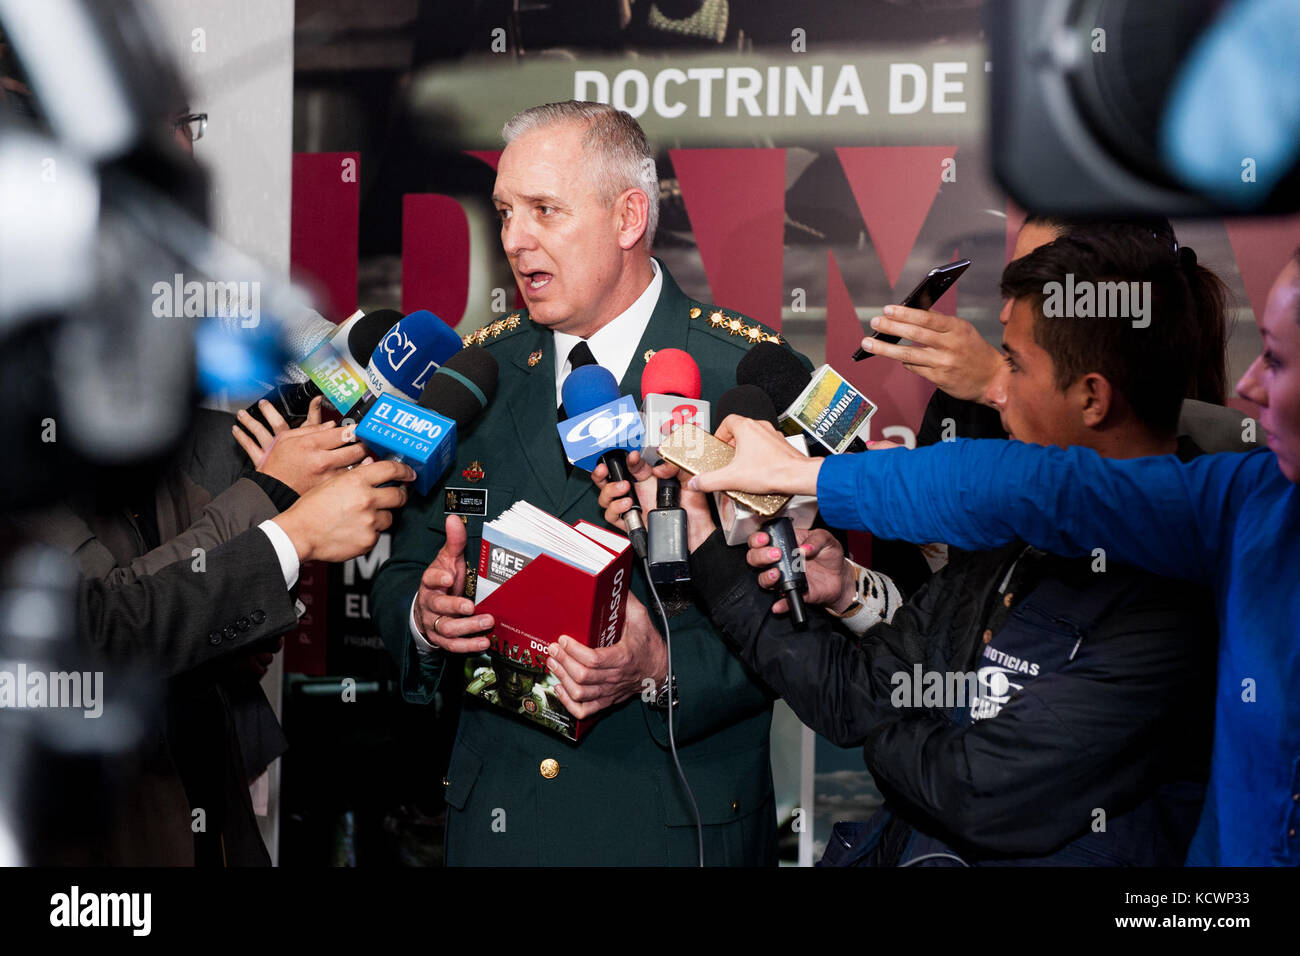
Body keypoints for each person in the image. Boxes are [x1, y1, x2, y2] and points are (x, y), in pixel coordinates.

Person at [607, 231, 1219, 865]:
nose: (994, 390)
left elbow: (973, 790)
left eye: (1013, 364)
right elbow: (851, 696)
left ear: (1092, 397)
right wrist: (705, 540)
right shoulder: (1011, 538)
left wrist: (889, 727)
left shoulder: (1174, 596)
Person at [372, 100, 807, 865]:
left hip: (675, 825)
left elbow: (807, 618)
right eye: (506, 212)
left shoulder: (739, 376)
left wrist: (662, 666)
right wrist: (423, 614)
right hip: (500, 823)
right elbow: (405, 564)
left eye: (545, 210)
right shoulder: (475, 376)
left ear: (628, 216)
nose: (515, 239)